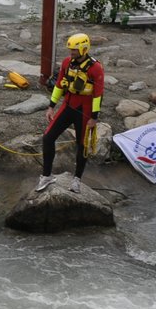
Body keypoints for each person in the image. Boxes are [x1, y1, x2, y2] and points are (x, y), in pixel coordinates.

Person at [38, 33, 104, 193]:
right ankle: (46, 176)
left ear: (84, 49)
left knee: (82, 145)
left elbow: (98, 94)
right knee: (48, 138)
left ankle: (77, 180)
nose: (71, 53)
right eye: (71, 50)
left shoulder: (96, 68)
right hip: (68, 105)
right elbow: (60, 84)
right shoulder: (67, 63)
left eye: (74, 50)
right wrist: (51, 106)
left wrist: (94, 118)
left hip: (86, 110)